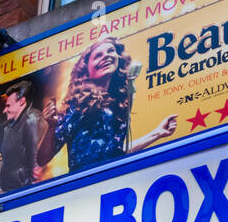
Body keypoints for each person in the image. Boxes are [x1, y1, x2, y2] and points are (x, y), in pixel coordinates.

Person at [40, 37, 176, 173]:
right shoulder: (77, 105)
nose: (106, 56)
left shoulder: (118, 103)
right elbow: (42, 159)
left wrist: (157, 132)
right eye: (98, 55)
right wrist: (51, 126)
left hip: (113, 180)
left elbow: (116, 152)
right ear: (86, 68)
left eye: (110, 51)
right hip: (84, 184)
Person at [0, 80, 39, 191]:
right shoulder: (8, 128)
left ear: (21, 102)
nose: (4, 110)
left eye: (8, 106)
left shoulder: (31, 121)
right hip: (8, 190)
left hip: (23, 191)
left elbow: (35, 161)